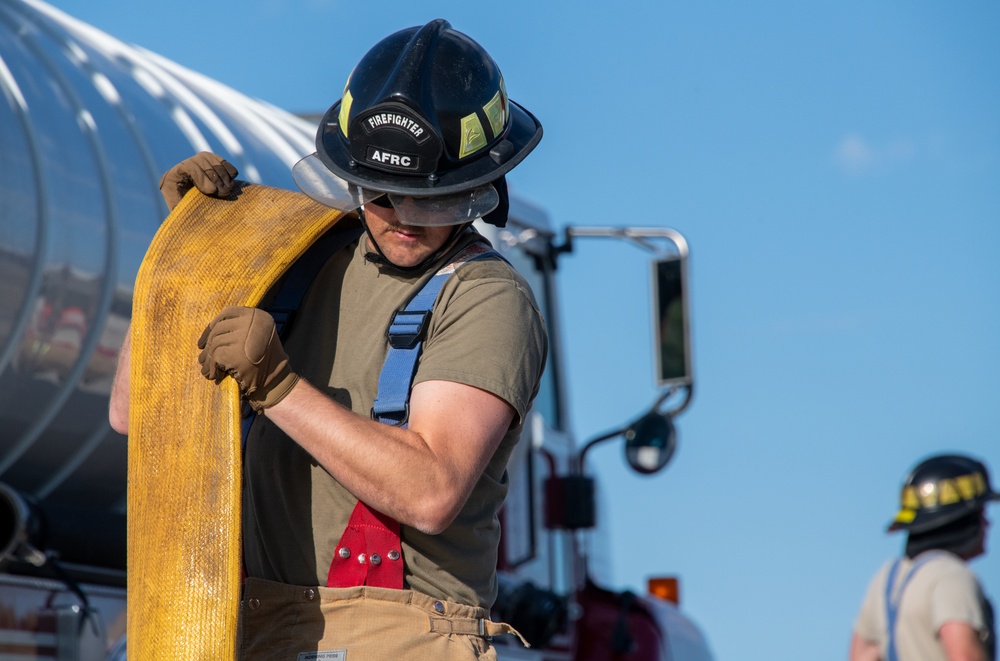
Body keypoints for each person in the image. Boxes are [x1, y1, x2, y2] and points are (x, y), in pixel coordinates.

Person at [110, 19, 547, 659]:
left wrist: (280, 388)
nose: (401, 218)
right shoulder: (295, 259)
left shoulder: (484, 298)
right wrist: (182, 261)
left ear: (480, 188)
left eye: (430, 202)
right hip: (252, 624)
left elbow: (430, 491)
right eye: (382, 195)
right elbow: (133, 412)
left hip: (400, 637)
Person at [849, 454, 997, 661]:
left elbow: (862, 655)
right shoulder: (952, 577)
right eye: (981, 514)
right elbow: (963, 656)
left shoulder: (887, 579)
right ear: (963, 520)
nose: (988, 524)